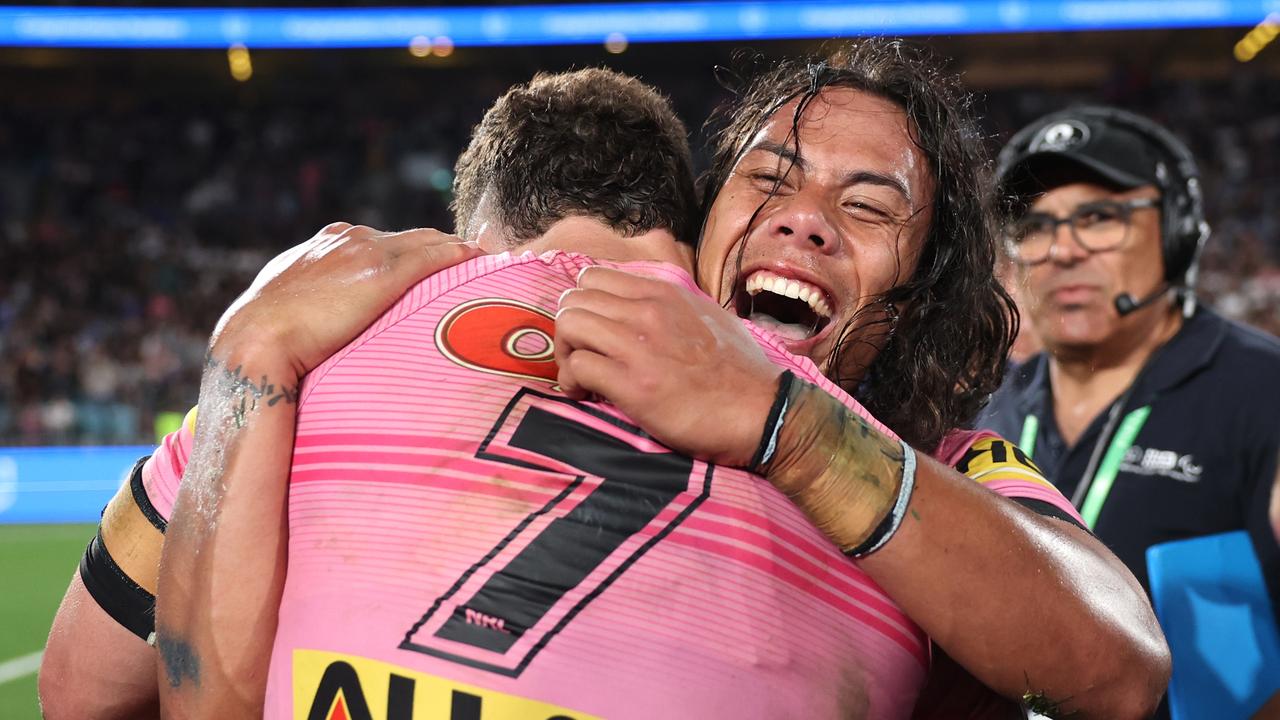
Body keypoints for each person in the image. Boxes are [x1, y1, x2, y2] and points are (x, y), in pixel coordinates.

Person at [42, 48, 1166, 720]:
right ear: (695, 227)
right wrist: (246, 365)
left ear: (919, 298)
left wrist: (793, 431)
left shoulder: (933, 476)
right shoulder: (344, 341)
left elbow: (1119, 667)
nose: (804, 217)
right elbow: (84, 689)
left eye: (867, 208)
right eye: (769, 178)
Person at [978, 106, 1280, 718]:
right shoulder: (987, 412)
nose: (1061, 250)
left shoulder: (1265, 390)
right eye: (1034, 226)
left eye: (1098, 218)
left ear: (1176, 234)